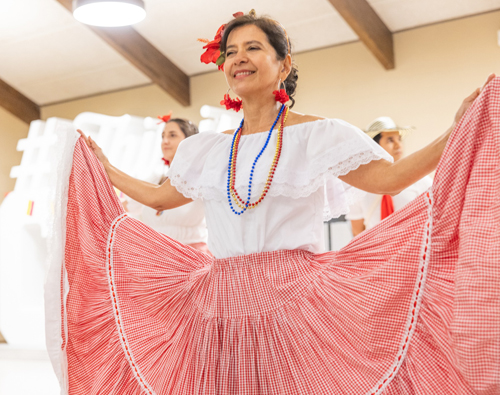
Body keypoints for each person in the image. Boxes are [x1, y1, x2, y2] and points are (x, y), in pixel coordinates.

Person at [48, 10, 499, 395]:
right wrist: (105, 170)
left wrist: (454, 131)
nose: (238, 57)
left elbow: (390, 178)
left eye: (253, 47)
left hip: (295, 296)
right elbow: (160, 197)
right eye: (230, 51)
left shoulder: (317, 134)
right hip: (217, 301)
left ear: (283, 65)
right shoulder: (203, 148)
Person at [124, 116, 209, 253]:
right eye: (163, 136)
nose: (165, 141)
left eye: (172, 135)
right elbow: (126, 206)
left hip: (192, 256)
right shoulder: (155, 179)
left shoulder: (201, 177)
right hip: (156, 258)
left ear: (190, 141)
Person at [347, 117, 432, 236]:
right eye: (390, 140)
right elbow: (357, 232)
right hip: (376, 252)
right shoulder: (358, 187)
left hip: (412, 251)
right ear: (374, 146)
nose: (398, 145)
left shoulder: (419, 180)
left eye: (399, 139)